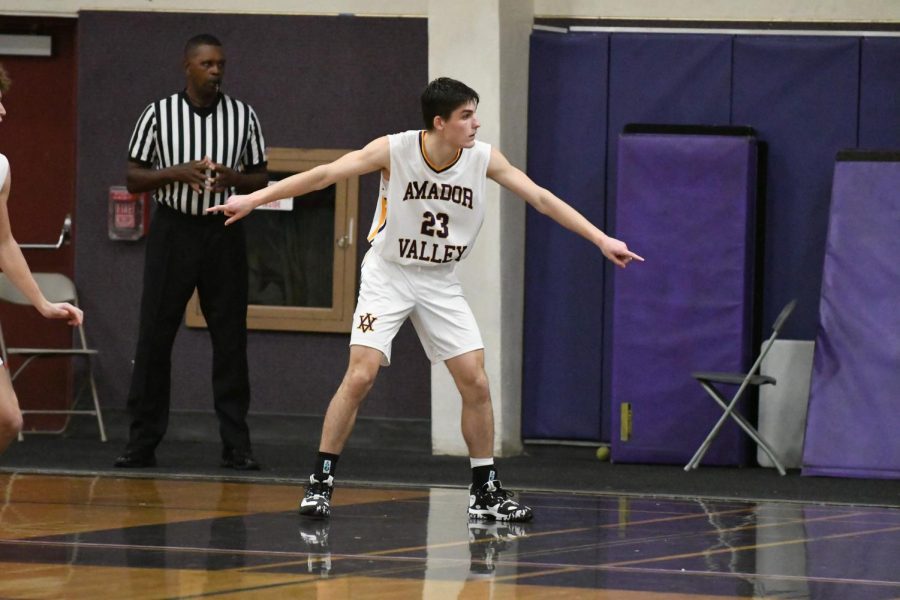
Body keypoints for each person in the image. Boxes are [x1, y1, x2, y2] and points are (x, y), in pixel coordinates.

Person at [208, 77, 643, 519]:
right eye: (466, 116)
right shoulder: (393, 150)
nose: (476, 123)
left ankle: (485, 492)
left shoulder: (483, 157)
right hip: (389, 273)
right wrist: (256, 199)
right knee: (361, 376)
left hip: (438, 279)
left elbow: (541, 198)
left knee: (475, 379)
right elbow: (324, 175)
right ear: (440, 123)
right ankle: (320, 481)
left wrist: (600, 238)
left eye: (475, 113)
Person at [114, 34, 268, 470]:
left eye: (220, 63)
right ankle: (142, 442)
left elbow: (260, 178)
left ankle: (236, 445)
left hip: (224, 231)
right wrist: (176, 173)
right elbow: (133, 178)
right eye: (207, 64)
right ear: (187, 66)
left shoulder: (243, 116)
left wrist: (232, 181)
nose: (215, 71)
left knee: (231, 340)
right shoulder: (158, 114)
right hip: (174, 231)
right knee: (155, 338)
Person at [0, 63, 84, 455]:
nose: (2, 111)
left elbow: (4, 242)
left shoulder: (0, 167)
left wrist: (43, 303)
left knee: (7, 418)